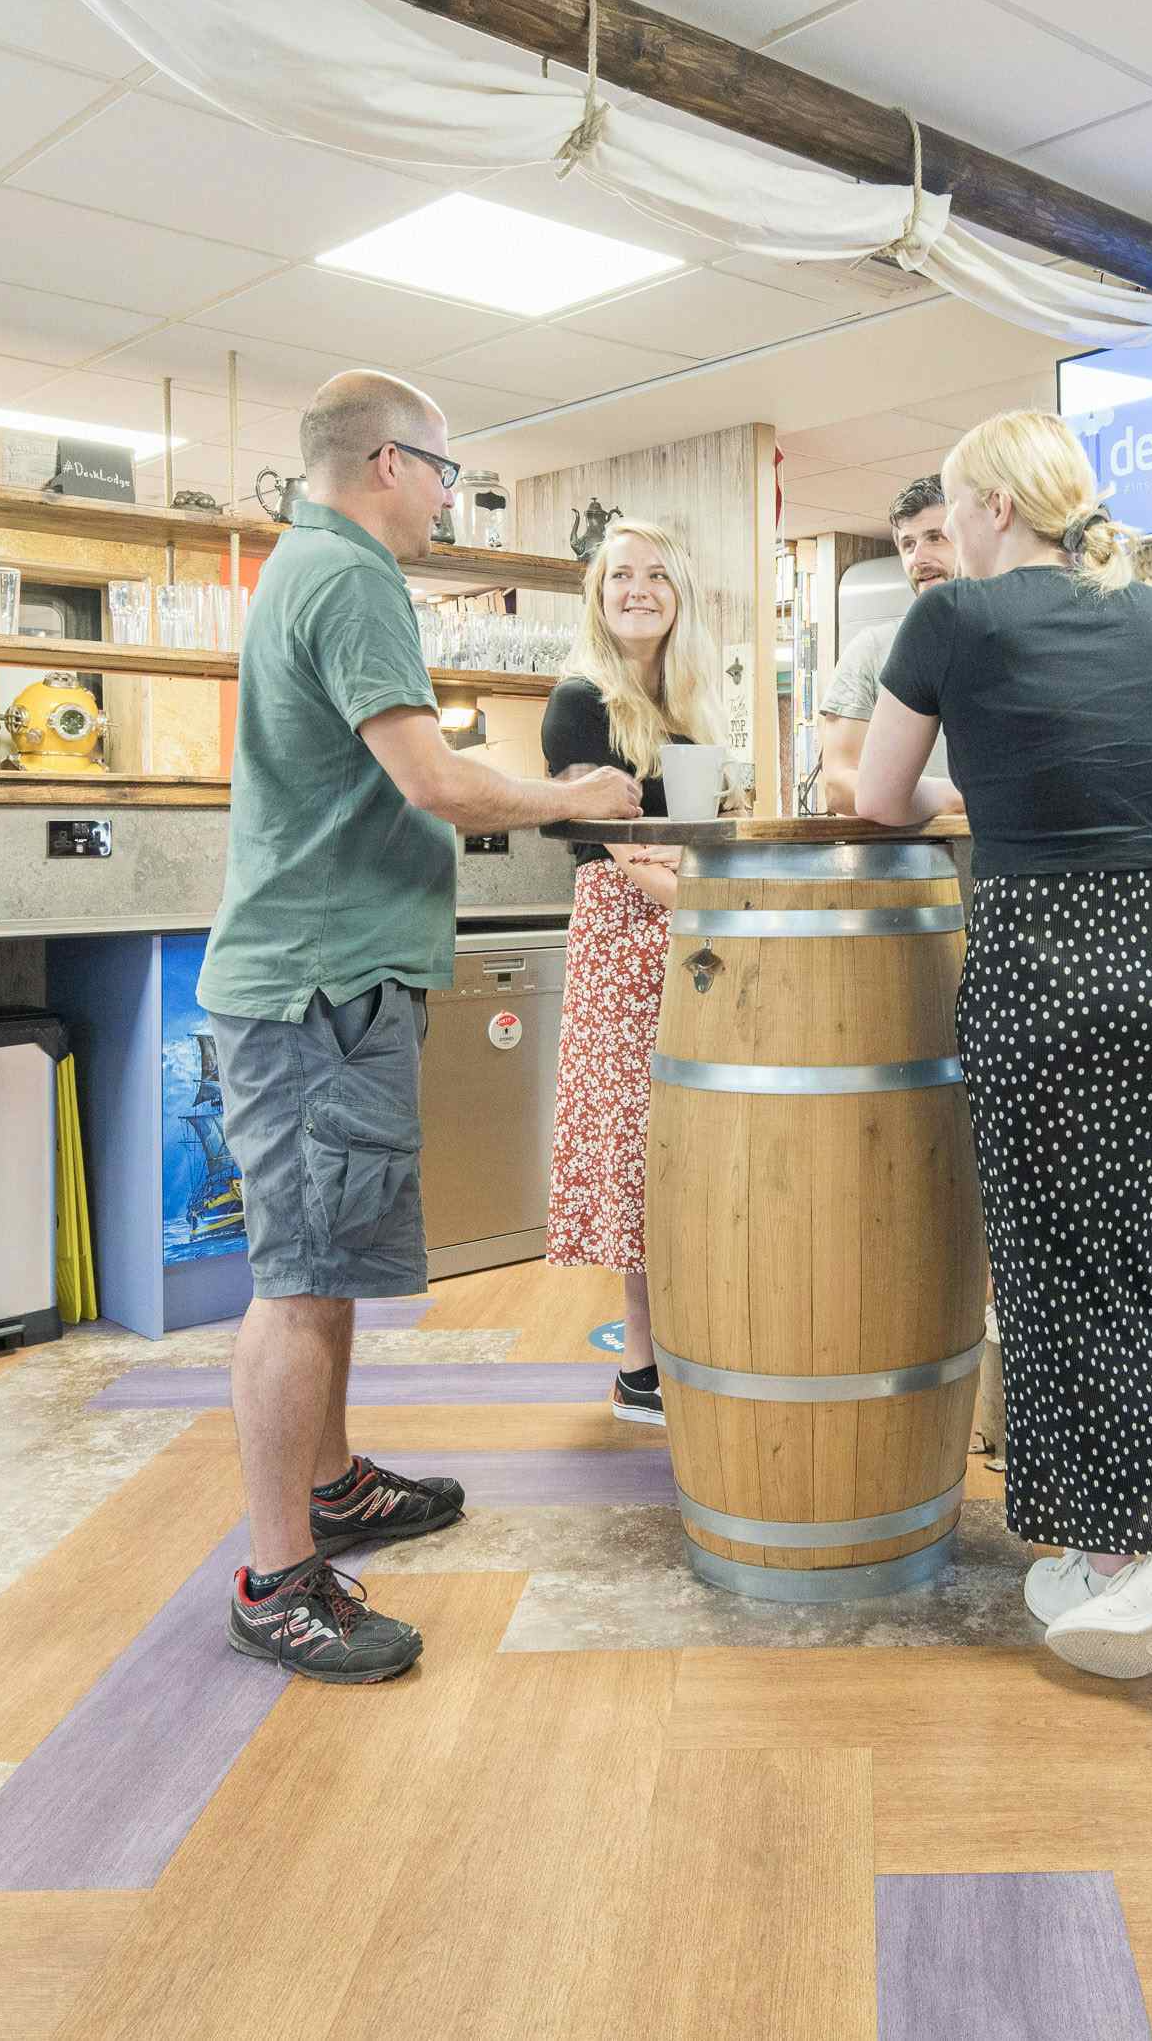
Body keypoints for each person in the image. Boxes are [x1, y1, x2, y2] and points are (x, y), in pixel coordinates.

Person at [200, 371, 638, 1684]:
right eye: (447, 470)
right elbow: (434, 780)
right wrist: (573, 796)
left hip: (334, 974)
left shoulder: (317, 566)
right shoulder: (350, 576)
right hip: (314, 985)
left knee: (326, 1259)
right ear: (388, 461)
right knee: (297, 1278)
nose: (452, 495)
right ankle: (277, 1577)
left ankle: (330, 1481)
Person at [850, 409, 1152, 1679]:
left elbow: (876, 797)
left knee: (1053, 1256)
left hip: (1046, 949)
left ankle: (1118, 1553)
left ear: (995, 507)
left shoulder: (952, 618)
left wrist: (967, 788)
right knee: (1146, 1245)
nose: (950, 533)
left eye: (956, 508)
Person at [540, 519, 723, 1423]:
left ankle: (688, 1343)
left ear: (679, 594)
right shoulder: (580, 701)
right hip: (624, 938)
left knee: (686, 1140)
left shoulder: (688, 706)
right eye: (620, 575)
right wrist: (722, 904)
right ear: (597, 594)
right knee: (637, 1145)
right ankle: (641, 1366)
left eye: (656, 574)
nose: (637, 589)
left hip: (683, 931)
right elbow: (630, 856)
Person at [815, 473, 955, 811]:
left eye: (935, 537)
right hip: (904, 849)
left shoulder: (1005, 640)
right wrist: (963, 799)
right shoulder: (870, 650)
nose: (918, 558)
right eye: (908, 544)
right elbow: (837, 786)